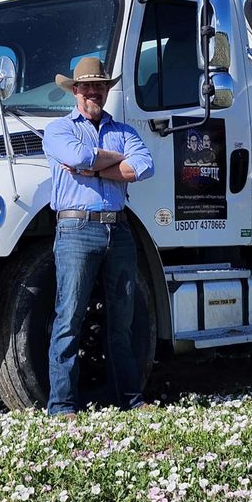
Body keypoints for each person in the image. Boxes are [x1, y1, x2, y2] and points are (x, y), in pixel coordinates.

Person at [41, 57, 155, 418]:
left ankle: (131, 399)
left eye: (100, 86)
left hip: (118, 228)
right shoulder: (58, 130)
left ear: (106, 90)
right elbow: (78, 154)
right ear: (74, 90)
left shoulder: (123, 129)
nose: (94, 91)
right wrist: (114, 162)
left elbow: (144, 166)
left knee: (123, 318)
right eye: (87, 86)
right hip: (76, 228)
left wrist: (92, 164)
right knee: (69, 317)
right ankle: (62, 405)